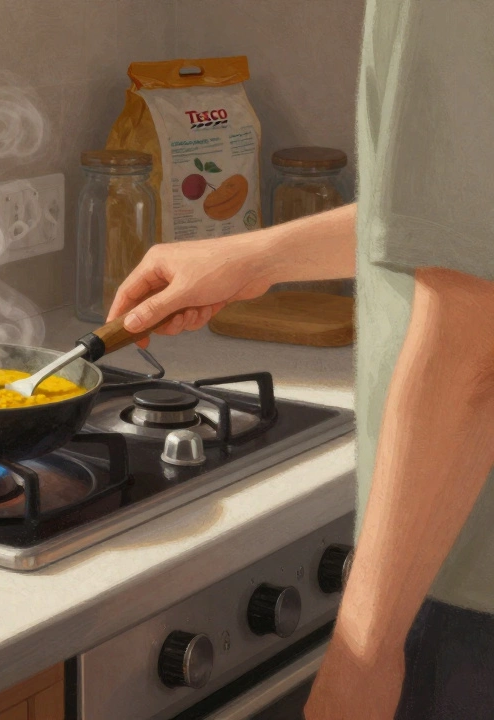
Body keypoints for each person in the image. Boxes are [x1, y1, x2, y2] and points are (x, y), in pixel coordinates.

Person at [106, 4, 494, 718]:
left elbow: (472, 349)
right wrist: (256, 257)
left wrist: (363, 655)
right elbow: (466, 220)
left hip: (471, 583)